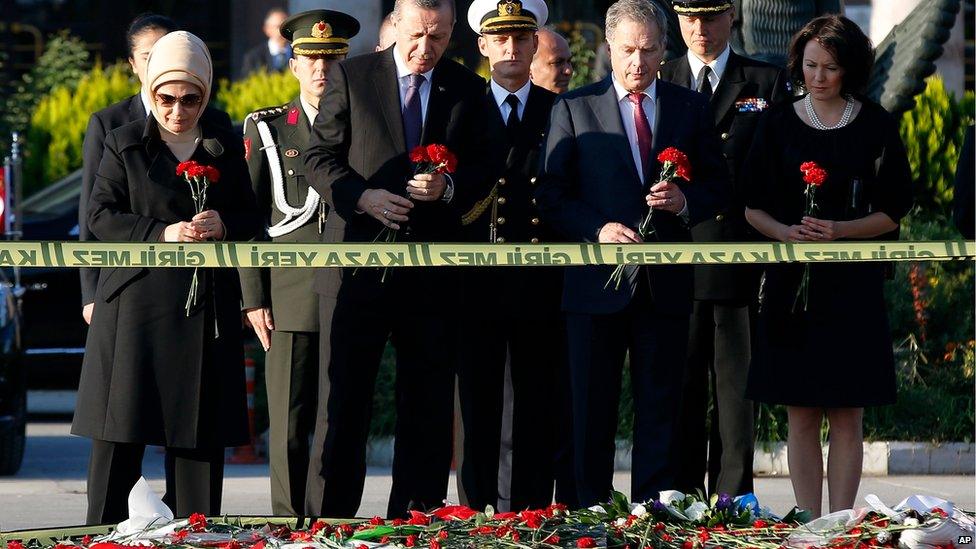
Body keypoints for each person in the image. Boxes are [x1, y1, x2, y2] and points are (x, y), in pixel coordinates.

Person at [536, 0, 727, 507]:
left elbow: (719, 185)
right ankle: (587, 514)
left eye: (647, 50)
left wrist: (686, 201)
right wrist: (598, 229)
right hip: (593, 288)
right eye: (627, 50)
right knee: (589, 414)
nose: (637, 62)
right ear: (609, 48)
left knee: (661, 410)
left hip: (663, 289)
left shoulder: (690, 108)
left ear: (665, 50)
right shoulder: (574, 107)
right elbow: (552, 196)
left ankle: (653, 515)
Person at [303, 0, 486, 518]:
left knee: (426, 408)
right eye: (417, 35)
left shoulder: (466, 88)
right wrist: (361, 196)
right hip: (355, 270)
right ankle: (328, 522)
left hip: (430, 279)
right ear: (395, 28)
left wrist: (447, 187)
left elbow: (486, 164)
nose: (426, 49)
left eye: (439, 37)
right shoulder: (354, 76)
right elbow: (319, 157)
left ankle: (416, 520)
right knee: (343, 408)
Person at [73, 31, 259, 524]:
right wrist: (163, 233)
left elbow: (250, 216)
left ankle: (196, 532)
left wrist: (226, 224)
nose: (178, 110)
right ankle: (101, 535)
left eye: (190, 98)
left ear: (206, 93)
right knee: (120, 437)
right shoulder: (123, 141)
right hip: (133, 308)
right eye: (166, 98)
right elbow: (99, 216)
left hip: (201, 315)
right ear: (151, 91)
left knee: (197, 442)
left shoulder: (222, 139)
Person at [741, 15, 913, 516]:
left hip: (852, 289)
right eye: (811, 65)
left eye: (830, 68)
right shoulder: (774, 122)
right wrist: (786, 233)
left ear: (850, 70)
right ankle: (810, 523)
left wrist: (840, 231)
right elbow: (751, 204)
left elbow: (893, 208)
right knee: (800, 412)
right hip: (791, 288)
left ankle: (839, 523)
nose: (818, 77)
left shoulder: (876, 123)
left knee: (847, 413)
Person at [658, 0, 790, 498]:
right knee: (681, 390)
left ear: (731, 16)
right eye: (690, 18)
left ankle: (734, 500)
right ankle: (682, 500)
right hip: (674, 257)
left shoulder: (763, 80)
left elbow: (773, 172)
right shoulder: (661, 74)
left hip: (737, 258)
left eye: (711, 17)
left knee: (736, 399)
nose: (700, 29)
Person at [238, 9, 360, 517]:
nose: (322, 70)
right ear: (293, 65)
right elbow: (248, 219)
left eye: (332, 59)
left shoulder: (362, 123)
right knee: (288, 420)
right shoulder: (268, 128)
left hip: (351, 290)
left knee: (341, 416)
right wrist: (254, 298)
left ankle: (333, 518)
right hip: (287, 296)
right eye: (311, 58)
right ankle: (289, 521)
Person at [456, 0, 569, 512]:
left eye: (521, 38)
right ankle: (479, 509)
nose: (511, 47)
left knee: (536, 401)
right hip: (475, 280)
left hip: (539, 281)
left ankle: (529, 509)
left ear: (534, 44)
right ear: (482, 45)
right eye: (499, 38)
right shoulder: (460, 108)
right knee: (479, 401)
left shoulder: (556, 109)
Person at [79, 14, 232, 326]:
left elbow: (242, 205)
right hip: (137, 286)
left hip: (204, 293)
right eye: (149, 56)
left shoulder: (216, 126)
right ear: (133, 64)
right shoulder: (112, 126)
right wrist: (91, 292)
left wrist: (222, 223)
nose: (178, 110)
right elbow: (93, 211)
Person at [241, 7, 291, 76]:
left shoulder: (299, 53)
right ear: (267, 29)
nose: (283, 31)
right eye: (278, 27)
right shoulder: (253, 57)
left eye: (286, 27)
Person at [530, 26, 573, 94]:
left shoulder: (581, 103)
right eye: (557, 62)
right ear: (528, 70)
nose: (568, 71)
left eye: (569, 61)